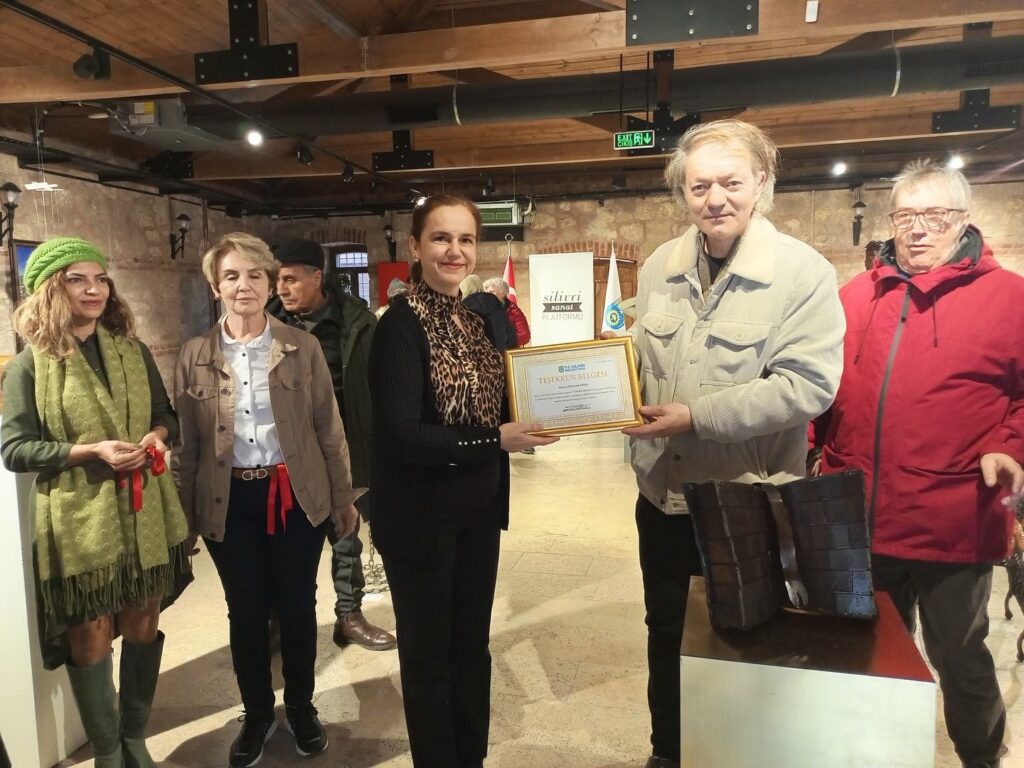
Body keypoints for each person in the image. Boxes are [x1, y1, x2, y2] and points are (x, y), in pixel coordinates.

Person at [623, 120, 845, 768]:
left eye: (730, 182)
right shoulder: (660, 265)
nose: (715, 198)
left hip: (746, 499)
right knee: (666, 632)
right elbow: (640, 360)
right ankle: (668, 752)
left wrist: (697, 415)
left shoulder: (803, 273)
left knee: (742, 639)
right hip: (663, 499)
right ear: (682, 193)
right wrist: (600, 385)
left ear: (762, 184)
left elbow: (808, 387)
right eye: (699, 186)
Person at [814, 159, 1024, 768]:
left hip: (952, 520)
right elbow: (820, 385)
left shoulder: (1011, 299)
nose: (918, 229)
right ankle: (876, 754)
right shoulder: (855, 296)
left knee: (960, 657)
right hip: (859, 517)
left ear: (963, 220)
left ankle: (980, 756)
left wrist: (1011, 446)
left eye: (935, 215)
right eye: (906, 215)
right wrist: (805, 442)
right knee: (871, 653)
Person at [369, 194, 556, 767]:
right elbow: (404, 434)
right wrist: (492, 440)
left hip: (477, 513)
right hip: (420, 519)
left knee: (472, 649)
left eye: (466, 239)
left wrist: (567, 404)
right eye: (441, 238)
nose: (455, 251)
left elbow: (502, 403)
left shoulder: (476, 322)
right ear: (415, 247)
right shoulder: (399, 326)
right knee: (429, 658)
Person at [172, 233, 361, 768]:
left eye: (255, 274)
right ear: (215, 287)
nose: (244, 286)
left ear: (270, 283)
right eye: (231, 276)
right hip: (229, 500)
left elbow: (329, 429)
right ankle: (257, 713)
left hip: (295, 497)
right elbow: (187, 444)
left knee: (298, 605)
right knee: (246, 610)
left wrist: (342, 497)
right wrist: (183, 517)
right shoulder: (194, 355)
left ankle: (300, 707)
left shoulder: (301, 348)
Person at [1, 237, 190, 768]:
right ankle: (108, 751)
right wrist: (90, 451)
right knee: (90, 636)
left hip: (145, 510)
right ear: (50, 289)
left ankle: (134, 738)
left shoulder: (133, 351)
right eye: (77, 279)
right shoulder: (30, 366)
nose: (94, 289)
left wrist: (155, 436)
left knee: (142, 622)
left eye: (100, 278)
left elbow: (166, 416)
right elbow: (15, 449)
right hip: (79, 519)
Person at [268, 238, 396, 652]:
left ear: (317, 277)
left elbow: (380, 386)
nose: (281, 289)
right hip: (284, 454)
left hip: (345, 446)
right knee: (285, 541)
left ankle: (349, 615)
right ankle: (284, 618)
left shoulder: (357, 323)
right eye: (277, 280)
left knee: (345, 534)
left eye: (290, 279)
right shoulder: (266, 325)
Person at [460, 274, 517, 352]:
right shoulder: (498, 307)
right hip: (501, 356)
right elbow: (511, 338)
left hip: (478, 357)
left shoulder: (463, 311)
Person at [483, 277, 530, 347]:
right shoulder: (483, 309)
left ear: (502, 293)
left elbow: (524, 335)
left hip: (507, 351)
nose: (488, 295)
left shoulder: (513, 311)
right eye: (487, 292)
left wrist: (502, 340)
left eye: (492, 292)